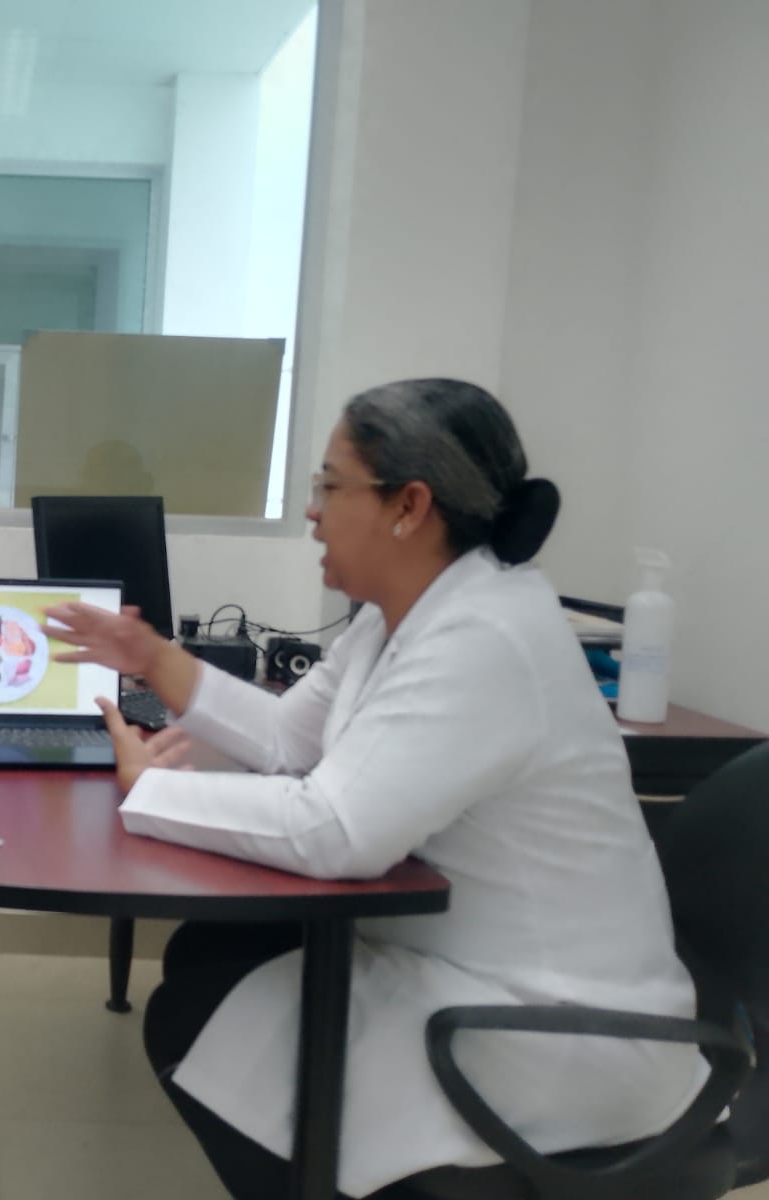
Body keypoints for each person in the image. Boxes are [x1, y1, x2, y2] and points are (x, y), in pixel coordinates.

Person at [41, 379, 707, 1199]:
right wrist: (151, 658)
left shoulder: (487, 635)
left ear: (409, 505)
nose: (312, 511)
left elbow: (335, 830)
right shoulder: (402, 615)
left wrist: (149, 792)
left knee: (191, 1015)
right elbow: (287, 738)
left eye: (330, 485)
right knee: (211, 953)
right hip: (467, 965)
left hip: (554, 1027)